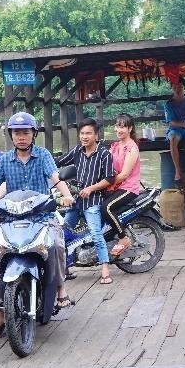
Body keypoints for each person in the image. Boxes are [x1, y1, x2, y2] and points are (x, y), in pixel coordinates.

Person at [0, 111, 76, 339]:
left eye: (25, 132)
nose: (21, 137)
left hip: (42, 216)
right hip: (12, 219)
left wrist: (66, 196)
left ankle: (60, 287)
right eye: (17, 133)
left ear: (33, 134)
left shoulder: (43, 155)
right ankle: (0, 313)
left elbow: (56, 179)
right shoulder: (4, 160)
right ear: (11, 136)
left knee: (56, 244)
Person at [57, 120, 116, 284]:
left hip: (94, 200)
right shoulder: (77, 151)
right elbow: (59, 161)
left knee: (96, 234)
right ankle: (65, 267)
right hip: (77, 200)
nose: (84, 136)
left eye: (88, 133)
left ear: (96, 135)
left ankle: (105, 268)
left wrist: (91, 188)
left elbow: (110, 178)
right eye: (82, 133)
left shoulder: (104, 154)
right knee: (63, 232)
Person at [103, 113, 142, 258]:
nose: (119, 130)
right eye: (117, 126)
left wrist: (110, 185)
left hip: (128, 188)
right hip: (115, 185)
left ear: (130, 128)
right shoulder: (114, 146)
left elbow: (125, 174)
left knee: (106, 207)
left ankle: (123, 237)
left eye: (123, 127)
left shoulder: (132, 148)